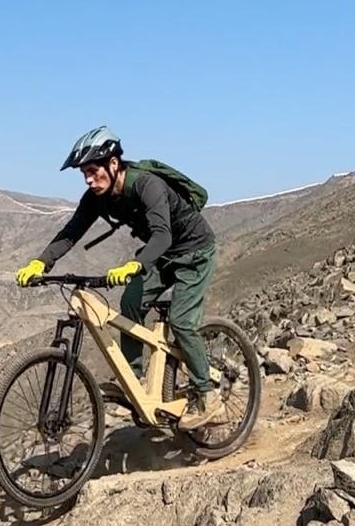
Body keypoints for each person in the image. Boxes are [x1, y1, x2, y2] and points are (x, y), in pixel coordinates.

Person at [16, 126, 223, 428]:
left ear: (113, 164)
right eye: (84, 174)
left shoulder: (146, 185)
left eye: (92, 171)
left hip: (194, 252)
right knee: (130, 304)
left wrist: (134, 265)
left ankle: (207, 395)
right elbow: (72, 232)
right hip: (160, 255)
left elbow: (162, 236)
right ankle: (134, 380)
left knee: (182, 321)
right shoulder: (96, 197)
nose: (88, 180)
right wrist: (41, 262)